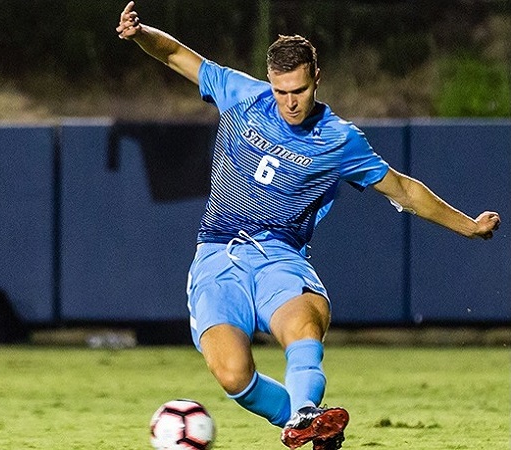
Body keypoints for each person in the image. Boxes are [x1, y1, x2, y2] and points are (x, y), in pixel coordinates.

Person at [117, 3, 501, 449]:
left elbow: (403, 190)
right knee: (232, 374)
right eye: (281, 91)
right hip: (217, 257)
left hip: (280, 256)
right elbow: (175, 55)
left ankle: (304, 413)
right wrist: (140, 32)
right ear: (270, 81)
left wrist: (468, 227)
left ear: (316, 79)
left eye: (298, 90)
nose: (290, 101)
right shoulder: (241, 94)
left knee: (303, 323)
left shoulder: (339, 139)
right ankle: (306, 425)